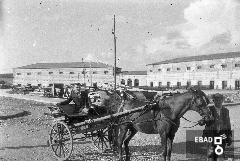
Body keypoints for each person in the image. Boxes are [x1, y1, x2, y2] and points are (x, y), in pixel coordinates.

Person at [200, 93, 232, 161]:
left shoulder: (226, 111)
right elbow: (204, 120)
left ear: (222, 100)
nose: (218, 102)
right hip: (210, 135)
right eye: (216, 100)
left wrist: (229, 136)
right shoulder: (209, 110)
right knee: (211, 155)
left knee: (220, 154)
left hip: (222, 134)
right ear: (213, 101)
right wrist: (202, 121)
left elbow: (228, 124)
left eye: (220, 100)